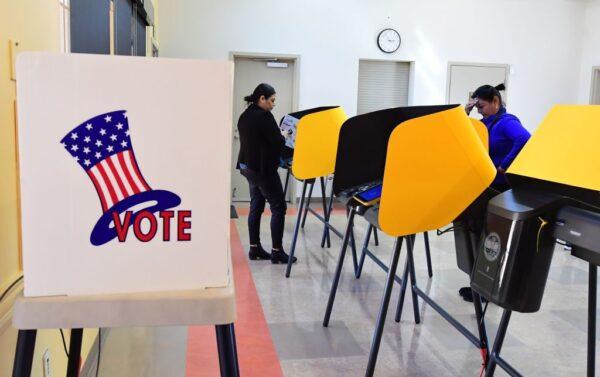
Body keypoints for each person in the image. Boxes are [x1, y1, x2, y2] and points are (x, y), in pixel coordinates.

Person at [459, 83, 531, 302]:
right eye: (476, 106)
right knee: (478, 235)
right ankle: (480, 285)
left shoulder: (507, 122)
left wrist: (504, 164)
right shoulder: (485, 124)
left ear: (495, 102)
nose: (479, 110)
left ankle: (486, 289)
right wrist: (465, 112)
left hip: (499, 189)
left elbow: (524, 138)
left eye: (481, 105)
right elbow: (462, 135)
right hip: (485, 186)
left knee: (490, 238)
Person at [237, 83, 296, 264]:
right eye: (271, 100)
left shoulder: (245, 115)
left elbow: (259, 140)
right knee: (279, 207)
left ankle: (254, 249)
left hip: (247, 167)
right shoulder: (264, 116)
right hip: (262, 170)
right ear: (261, 98)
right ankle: (277, 252)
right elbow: (277, 142)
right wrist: (285, 135)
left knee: (256, 205)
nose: (273, 104)